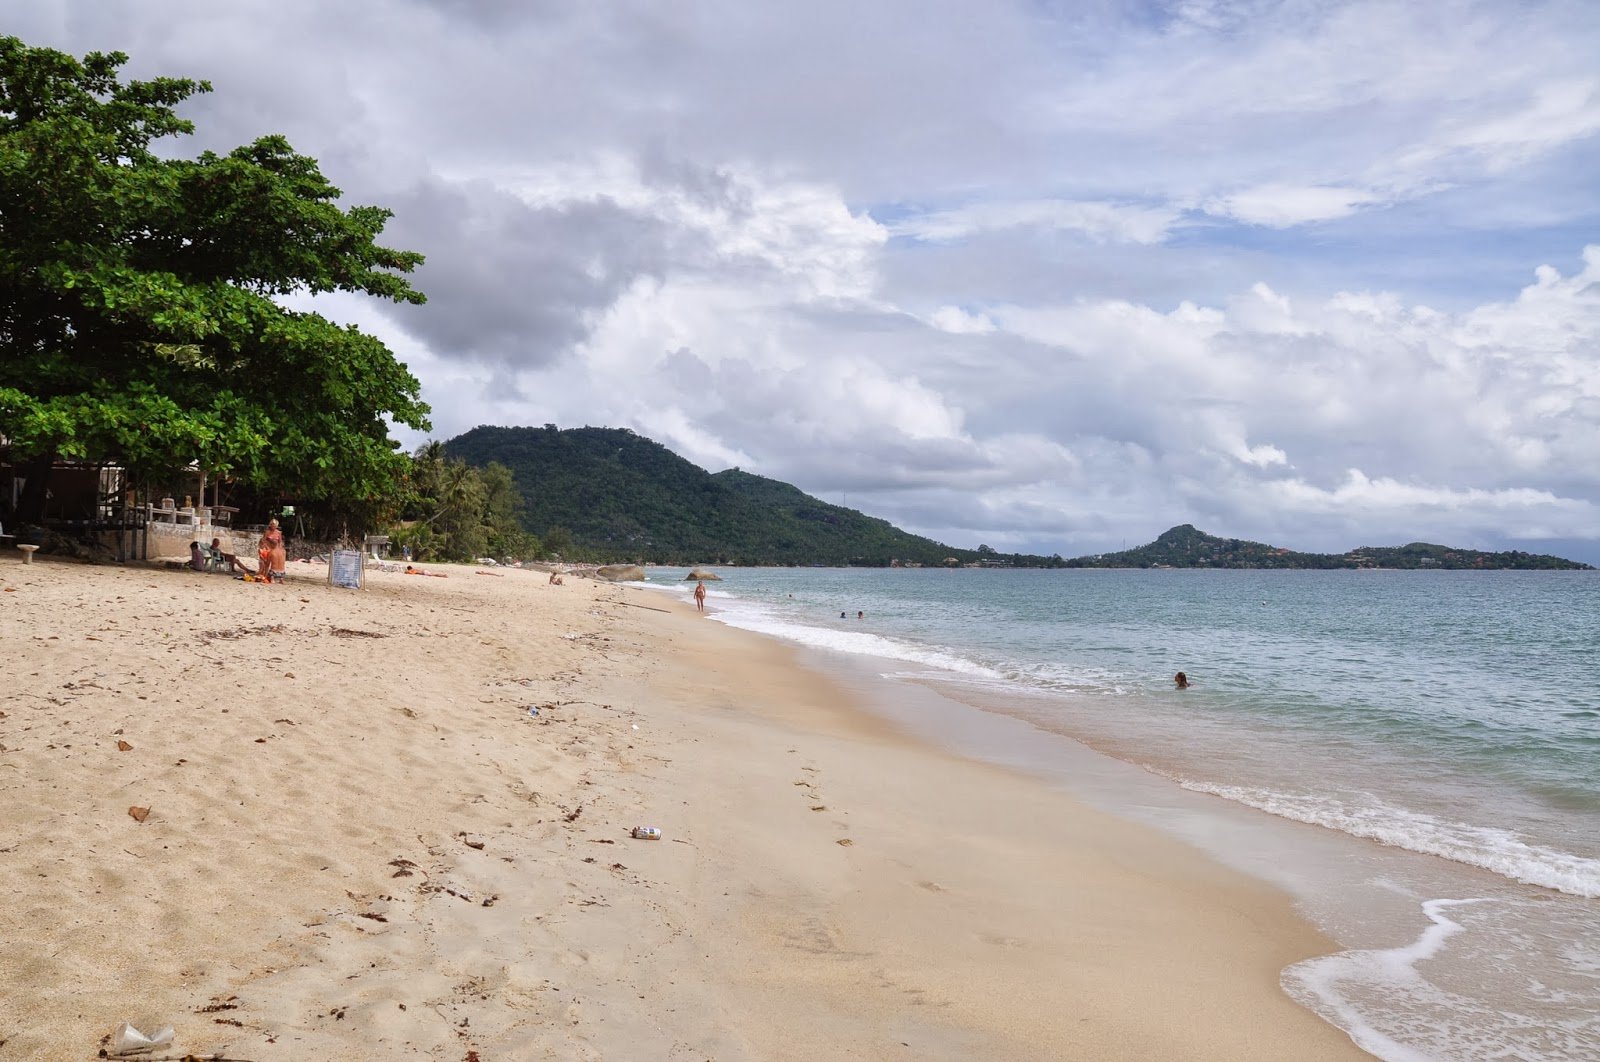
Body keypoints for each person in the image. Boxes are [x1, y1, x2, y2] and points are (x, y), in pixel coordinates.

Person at [262, 518, 287, 583]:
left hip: (275, 549)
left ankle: (280, 577)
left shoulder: (278, 532)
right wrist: (266, 548)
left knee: (280, 559)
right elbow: (263, 541)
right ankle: (265, 575)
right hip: (268, 548)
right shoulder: (267, 532)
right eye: (272, 524)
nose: (273, 526)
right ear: (270, 525)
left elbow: (280, 542)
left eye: (275, 525)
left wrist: (280, 549)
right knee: (267, 563)